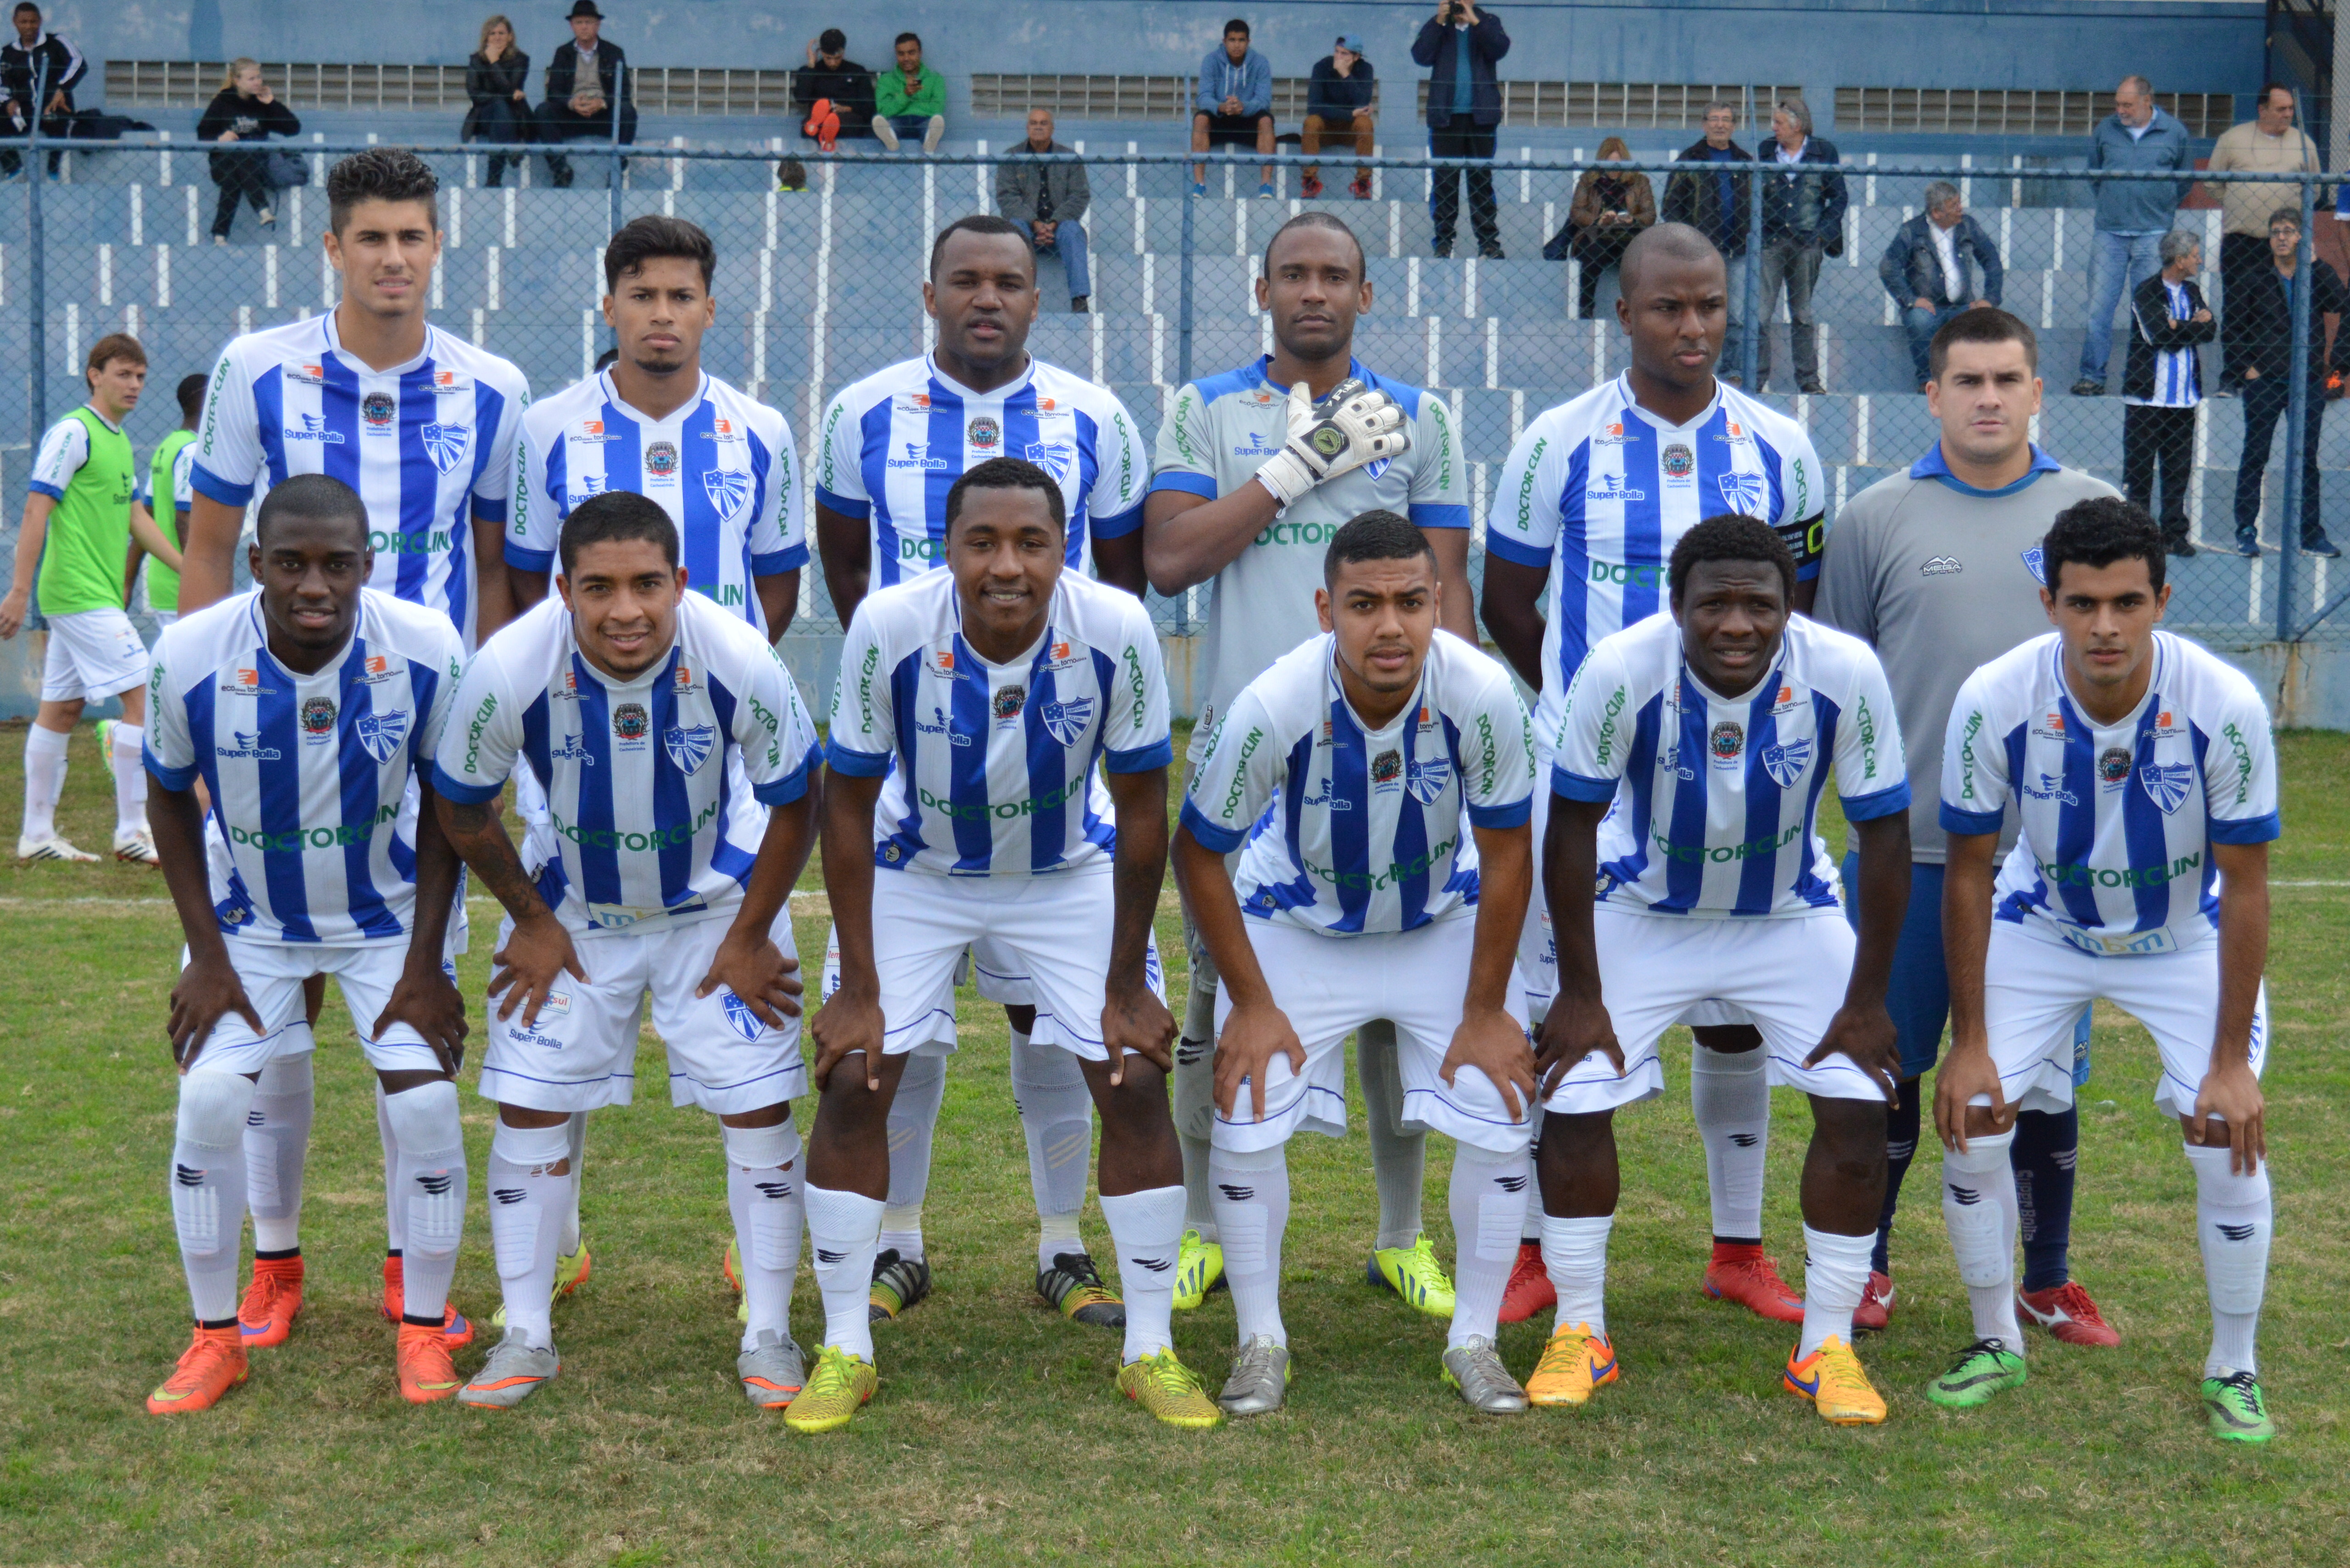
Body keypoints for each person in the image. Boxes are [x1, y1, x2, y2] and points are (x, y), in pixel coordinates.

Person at [180, 148, 532, 1346]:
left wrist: (486, 730)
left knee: (407, 1010)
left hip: (420, 730)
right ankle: (274, 1264)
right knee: (274, 1010)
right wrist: (190, 704)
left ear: (440, 248)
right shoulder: (254, 371)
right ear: (331, 249)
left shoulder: (492, 387)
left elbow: (494, 567)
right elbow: (210, 542)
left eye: (412, 238)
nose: (392, 258)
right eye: (369, 239)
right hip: (269, 725)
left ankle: (402, 1262)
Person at [805, 457, 1209, 1433]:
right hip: (918, 868)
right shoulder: (890, 625)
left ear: (1062, 548)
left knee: (1134, 1071)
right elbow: (848, 806)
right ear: (946, 548)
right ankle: (843, 1348)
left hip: (1066, 870)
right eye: (981, 541)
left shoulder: (1114, 628)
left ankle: (1149, 1346)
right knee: (856, 1074)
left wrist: (1124, 979)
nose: (1006, 565)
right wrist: (857, 984)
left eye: (1031, 542)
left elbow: (1147, 807)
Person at [1482, 223, 1830, 1330]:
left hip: (1733, 775)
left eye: (1710, 306)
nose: (1691, 327)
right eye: (1667, 307)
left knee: (1732, 1009)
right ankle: (1537, 1249)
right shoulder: (1555, 442)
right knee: (1557, 1009)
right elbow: (1505, 601)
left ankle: (1737, 1247)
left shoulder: (1782, 447)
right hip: (1584, 788)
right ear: (1623, 312)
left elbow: (1801, 603)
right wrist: (1591, 716)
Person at [811, 214, 1150, 1331]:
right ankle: (896, 1245)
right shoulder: (859, 412)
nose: (987, 298)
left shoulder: (1097, 416)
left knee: (1046, 1028)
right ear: (930, 292)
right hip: (923, 776)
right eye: (966, 280)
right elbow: (847, 564)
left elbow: (1124, 571)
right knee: (894, 1044)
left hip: (1053, 774)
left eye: (1008, 281)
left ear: (1035, 299)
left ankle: (1063, 1247)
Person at [1143, 211, 1472, 1325]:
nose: (1315, 292)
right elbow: (1172, 556)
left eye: (1336, 275)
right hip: (1252, 747)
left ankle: (1399, 1233)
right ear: (1263, 287)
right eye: (1295, 274)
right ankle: (1199, 1227)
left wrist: (1465, 733)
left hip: (1393, 752)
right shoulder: (1205, 407)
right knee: (1210, 999)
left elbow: (1452, 595)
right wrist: (1293, 470)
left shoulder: (1420, 418)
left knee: (1394, 995)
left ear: (1366, 295)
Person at [432, 491, 823, 1411]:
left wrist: (751, 933)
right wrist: (530, 921)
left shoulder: (734, 654)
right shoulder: (510, 666)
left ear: (680, 583)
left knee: (761, 1113)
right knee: (527, 1110)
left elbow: (798, 799)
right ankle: (524, 1332)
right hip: (576, 918)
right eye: (598, 587)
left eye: (648, 584)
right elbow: (460, 805)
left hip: (712, 912)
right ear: (563, 590)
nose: (625, 610)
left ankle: (768, 1327)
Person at [1533, 514, 1911, 1426]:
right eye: (1714, 604)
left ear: (1790, 610)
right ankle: (1579, 1328)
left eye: (1758, 605)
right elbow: (1571, 827)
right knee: (1576, 1092)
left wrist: (1865, 1000)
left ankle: (1827, 1345)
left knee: (1859, 1101)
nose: (1736, 624)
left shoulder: (1844, 671)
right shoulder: (1621, 669)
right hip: (1644, 907)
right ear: (1677, 607)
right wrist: (1580, 993)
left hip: (1787, 914)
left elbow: (1885, 831)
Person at [1930, 497, 2281, 1445]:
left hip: (2185, 934)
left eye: (2127, 601)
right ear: (2047, 601)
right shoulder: (1994, 697)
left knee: (2222, 1126)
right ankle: (1995, 1337)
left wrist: (2228, 1060)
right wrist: (1967, 1044)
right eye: (2082, 603)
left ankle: (2234, 1362)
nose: (2105, 627)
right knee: (1972, 1118)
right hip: (2041, 924)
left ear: (2162, 599)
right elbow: (1966, 869)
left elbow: (2245, 888)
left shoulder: (2225, 705)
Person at [1174, 510, 1540, 1416]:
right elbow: (1197, 852)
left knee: (1500, 1102)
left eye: (1412, 602)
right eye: (1364, 604)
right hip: (1300, 925)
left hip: (1436, 923)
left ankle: (1476, 1340)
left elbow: (1507, 854)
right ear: (1323, 608)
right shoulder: (1275, 704)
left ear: (1439, 603)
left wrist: (1489, 1007)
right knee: (1249, 1100)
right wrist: (1250, 1002)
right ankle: (1262, 1339)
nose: (1390, 626)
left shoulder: (1485, 693)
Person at [1812, 306, 2121, 1340]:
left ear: (2038, 391)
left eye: (2007, 379)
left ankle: (2045, 1276)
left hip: (2045, 870)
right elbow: (1840, 679)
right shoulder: (1875, 518)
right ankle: (1866, 1266)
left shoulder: (2090, 508)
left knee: (2037, 1080)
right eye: (1967, 381)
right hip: (1907, 856)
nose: (1987, 398)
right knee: (1881, 1064)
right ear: (1932, 394)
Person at [140, 474, 471, 1414]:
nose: (314, 584)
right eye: (291, 563)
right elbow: (167, 792)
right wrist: (205, 956)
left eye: (337, 564)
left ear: (369, 564)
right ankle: (224, 1330)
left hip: (387, 922)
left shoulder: (425, 647)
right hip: (250, 926)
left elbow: (454, 803)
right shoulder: (193, 652)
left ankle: (421, 1327)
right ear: (257, 565)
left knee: (426, 1110)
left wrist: (424, 964)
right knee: (209, 1100)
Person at [509, 215, 804, 638]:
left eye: (682, 297)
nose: (663, 315)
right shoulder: (546, 427)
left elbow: (779, 583)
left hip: (719, 693)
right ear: (611, 309)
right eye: (643, 296)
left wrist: (727, 670)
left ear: (709, 311)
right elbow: (529, 576)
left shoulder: (763, 430)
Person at [0, 333, 182, 863]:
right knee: (146, 697)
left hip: (95, 593)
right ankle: (132, 829)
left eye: (141, 377)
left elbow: (134, 517)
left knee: (61, 710)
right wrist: (17, 591)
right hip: (77, 592)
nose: (134, 385)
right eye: (123, 374)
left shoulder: (119, 440)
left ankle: (36, 835)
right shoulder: (73, 433)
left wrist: (189, 568)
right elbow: (37, 510)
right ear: (94, 374)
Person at [2224, 206, 2346, 557]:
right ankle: (2246, 530)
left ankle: (2310, 533)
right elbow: (2234, 326)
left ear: (2300, 237)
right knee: (2255, 456)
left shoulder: (2314, 275)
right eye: (2276, 231)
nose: (2280, 237)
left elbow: (2339, 302)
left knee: (2306, 458)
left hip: (2306, 381)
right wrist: (2245, 368)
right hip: (2265, 381)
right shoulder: (2254, 276)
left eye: (2288, 231)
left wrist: (2318, 264)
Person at [2073, 76, 2193, 397]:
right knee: (2099, 308)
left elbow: (2184, 181)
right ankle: (2092, 376)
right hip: (2109, 234)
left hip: (2153, 235)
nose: (2120, 110)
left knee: (2147, 310)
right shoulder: (2105, 129)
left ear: (2147, 101)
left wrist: (2161, 207)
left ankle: (2141, 379)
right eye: (2118, 104)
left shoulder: (2175, 132)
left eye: (2127, 104)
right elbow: (2094, 172)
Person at [2204, 84, 2318, 390]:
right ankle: (2234, 376)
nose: (2288, 114)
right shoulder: (2233, 139)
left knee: (2281, 311)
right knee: (2238, 310)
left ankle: (2275, 375)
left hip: (2284, 247)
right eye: (2281, 109)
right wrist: (2243, 203)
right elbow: (2213, 184)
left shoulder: (2304, 143)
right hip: (2243, 241)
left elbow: (2315, 191)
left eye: (2291, 109)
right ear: (2262, 110)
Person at [2123, 230, 2216, 556]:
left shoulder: (2192, 290)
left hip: (2183, 399)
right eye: (2195, 255)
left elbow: (2211, 329)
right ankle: (2138, 537)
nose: (2199, 260)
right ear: (2180, 260)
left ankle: (2174, 534)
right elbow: (2157, 335)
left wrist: (2179, 325)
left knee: (2178, 470)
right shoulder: (2147, 290)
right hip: (2147, 399)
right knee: (2140, 471)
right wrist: (2188, 325)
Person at [1752, 97, 1846, 395]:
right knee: (1762, 314)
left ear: (1797, 125)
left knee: (1802, 314)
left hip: (1808, 243)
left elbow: (1838, 197)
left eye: (1779, 123)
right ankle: (1756, 377)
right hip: (1772, 241)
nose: (1773, 128)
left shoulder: (1823, 151)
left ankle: (1808, 379)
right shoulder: (1767, 150)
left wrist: (1822, 234)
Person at [1880, 181, 2002, 391]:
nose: (1960, 209)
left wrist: (1989, 299)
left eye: (1959, 203)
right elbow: (1888, 267)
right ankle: (1929, 380)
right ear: (1937, 212)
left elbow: (1992, 261)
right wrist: (1911, 300)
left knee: (1982, 321)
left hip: (1964, 305)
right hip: (1929, 307)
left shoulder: (1968, 226)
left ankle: (1968, 381)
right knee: (1919, 319)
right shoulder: (1912, 231)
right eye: (1954, 205)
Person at [1411, 0, 1509, 258]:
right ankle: (1444, 242)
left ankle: (1488, 242)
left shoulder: (1488, 22)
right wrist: (1439, 21)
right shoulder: (1439, 26)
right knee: (1445, 182)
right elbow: (1421, 56)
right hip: (1446, 117)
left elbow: (1499, 49)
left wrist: (1474, 20)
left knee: (1481, 182)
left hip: (1482, 117)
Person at [1659, 102, 1751, 375]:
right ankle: (1702, 371)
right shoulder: (1690, 159)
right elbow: (1670, 207)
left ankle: (1731, 373)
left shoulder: (1745, 161)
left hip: (1738, 250)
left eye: (1726, 120)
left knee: (1735, 317)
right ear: (1704, 124)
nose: (1720, 125)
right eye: (1714, 119)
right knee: (1700, 314)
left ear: (1734, 126)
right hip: (1701, 255)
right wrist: (1689, 241)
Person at [126, 373, 208, 632]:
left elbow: (146, 517)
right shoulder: (192, 450)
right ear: (205, 400)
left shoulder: (167, 446)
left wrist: (127, 582)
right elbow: (184, 520)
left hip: (164, 586)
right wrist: (199, 582)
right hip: (182, 590)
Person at [995, 109, 1093, 312]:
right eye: (1034, 123)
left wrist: (1054, 223)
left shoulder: (1069, 157)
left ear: (1052, 128)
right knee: (1015, 229)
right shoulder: (1012, 157)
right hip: (1026, 226)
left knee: (1073, 231)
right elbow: (1007, 198)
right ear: (1027, 127)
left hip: (1059, 228)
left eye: (1043, 123)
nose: (1038, 127)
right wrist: (1035, 223)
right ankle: (1015, 298)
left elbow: (1079, 195)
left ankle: (1080, 301)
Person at [1549, 138, 1655, 319]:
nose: (1614, 167)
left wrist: (1632, 220)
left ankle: (1640, 309)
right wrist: (1599, 220)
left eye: (1619, 162)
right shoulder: (1588, 180)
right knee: (1593, 253)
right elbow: (1577, 212)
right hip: (1595, 234)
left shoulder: (1639, 181)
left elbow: (1650, 215)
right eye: (1609, 162)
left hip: (1627, 235)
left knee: (1640, 258)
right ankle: (1586, 306)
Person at [535, 0, 636, 189]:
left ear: (597, 25)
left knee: (628, 112)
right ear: (572, 26)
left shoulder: (613, 53)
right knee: (543, 111)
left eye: (589, 22)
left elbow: (624, 93)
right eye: (579, 22)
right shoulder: (563, 53)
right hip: (573, 114)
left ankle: (616, 169)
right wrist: (572, 103)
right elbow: (553, 93)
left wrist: (603, 102)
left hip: (604, 116)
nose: (584, 27)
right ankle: (561, 170)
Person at [197, 59, 299, 245]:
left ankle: (220, 235)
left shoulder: (262, 104)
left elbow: (293, 129)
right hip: (222, 164)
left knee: (237, 167)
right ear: (237, 81)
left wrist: (272, 104)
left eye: (259, 77)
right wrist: (220, 139)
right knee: (237, 158)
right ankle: (262, 209)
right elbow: (203, 133)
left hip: (257, 166)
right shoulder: (223, 102)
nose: (258, 82)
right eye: (251, 79)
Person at [0, 3, 84, 180]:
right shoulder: (7, 53)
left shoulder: (56, 43)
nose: (29, 26)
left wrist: (62, 88)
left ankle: (54, 170)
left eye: (33, 22)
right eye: (24, 22)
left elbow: (79, 63)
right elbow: (2, 84)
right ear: (15, 22)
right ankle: (14, 169)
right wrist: (8, 101)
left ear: (40, 21)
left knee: (60, 123)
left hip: (52, 108)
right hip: (24, 113)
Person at [1191, 18, 1273, 198]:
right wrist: (1221, 107)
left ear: (1248, 42)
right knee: (1200, 119)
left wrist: (1243, 107)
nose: (1237, 45)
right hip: (1220, 119)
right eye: (1232, 40)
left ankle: (1266, 186)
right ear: (1224, 42)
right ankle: (1199, 185)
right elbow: (1203, 98)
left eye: (1242, 40)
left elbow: (1264, 100)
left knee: (1266, 120)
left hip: (1247, 120)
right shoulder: (1211, 61)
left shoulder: (1260, 63)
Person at [1301, 34, 1375, 201]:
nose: (1339, 58)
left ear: (1356, 57)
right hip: (1325, 130)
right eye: (1337, 52)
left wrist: (1345, 74)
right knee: (1312, 122)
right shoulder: (1322, 67)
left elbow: (1363, 102)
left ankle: (1363, 183)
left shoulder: (1365, 69)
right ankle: (1310, 181)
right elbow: (1314, 107)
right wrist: (1349, 114)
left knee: (1365, 123)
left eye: (1345, 54)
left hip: (1350, 133)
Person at [463, 14, 532, 189]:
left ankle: (493, 181)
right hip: (484, 116)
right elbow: (474, 94)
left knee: (501, 121)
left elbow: (513, 87)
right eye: (492, 33)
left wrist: (494, 63)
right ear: (486, 37)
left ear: (510, 36)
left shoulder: (521, 60)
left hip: (513, 116)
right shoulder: (477, 60)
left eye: (501, 33)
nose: (497, 37)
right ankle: (510, 151)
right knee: (500, 107)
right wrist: (503, 97)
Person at [795, 29, 875, 151]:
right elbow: (801, 98)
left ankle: (826, 131)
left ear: (843, 52)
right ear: (821, 52)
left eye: (838, 58)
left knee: (839, 122)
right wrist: (811, 65)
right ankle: (824, 132)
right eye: (828, 58)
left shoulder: (857, 72)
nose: (833, 63)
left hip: (848, 119)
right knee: (810, 124)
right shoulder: (811, 71)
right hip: (818, 119)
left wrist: (848, 108)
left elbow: (869, 107)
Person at [871, 32, 944, 154]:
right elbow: (884, 110)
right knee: (888, 125)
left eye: (911, 53)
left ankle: (929, 141)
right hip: (897, 121)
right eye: (901, 54)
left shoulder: (935, 79)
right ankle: (891, 139)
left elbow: (937, 109)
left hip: (924, 121)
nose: (906, 58)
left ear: (920, 53)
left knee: (933, 124)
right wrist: (906, 95)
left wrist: (905, 105)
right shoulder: (886, 80)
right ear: (896, 55)